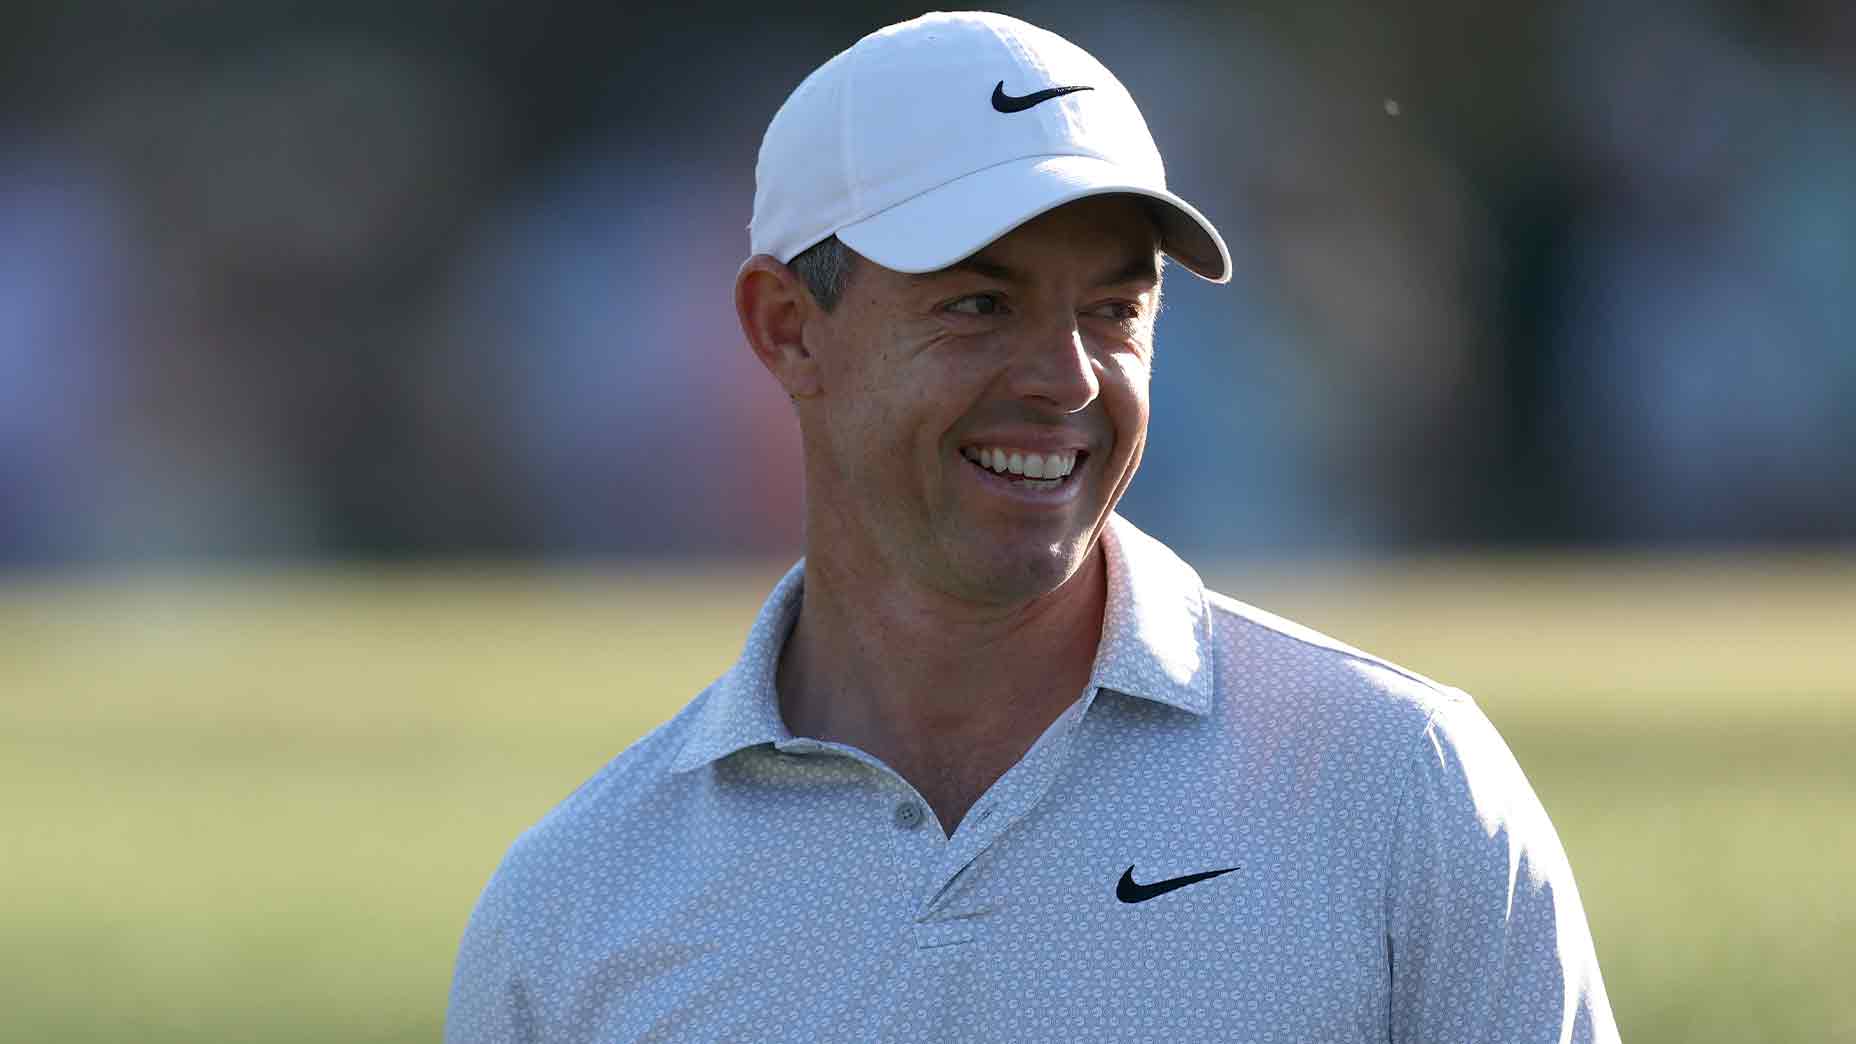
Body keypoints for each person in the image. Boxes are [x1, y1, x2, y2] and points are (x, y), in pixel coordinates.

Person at [446, 12, 1618, 1042]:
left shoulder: (1397, 788)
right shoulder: (578, 905)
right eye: (977, 303)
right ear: (787, 330)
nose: (1065, 378)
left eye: (1113, 309)